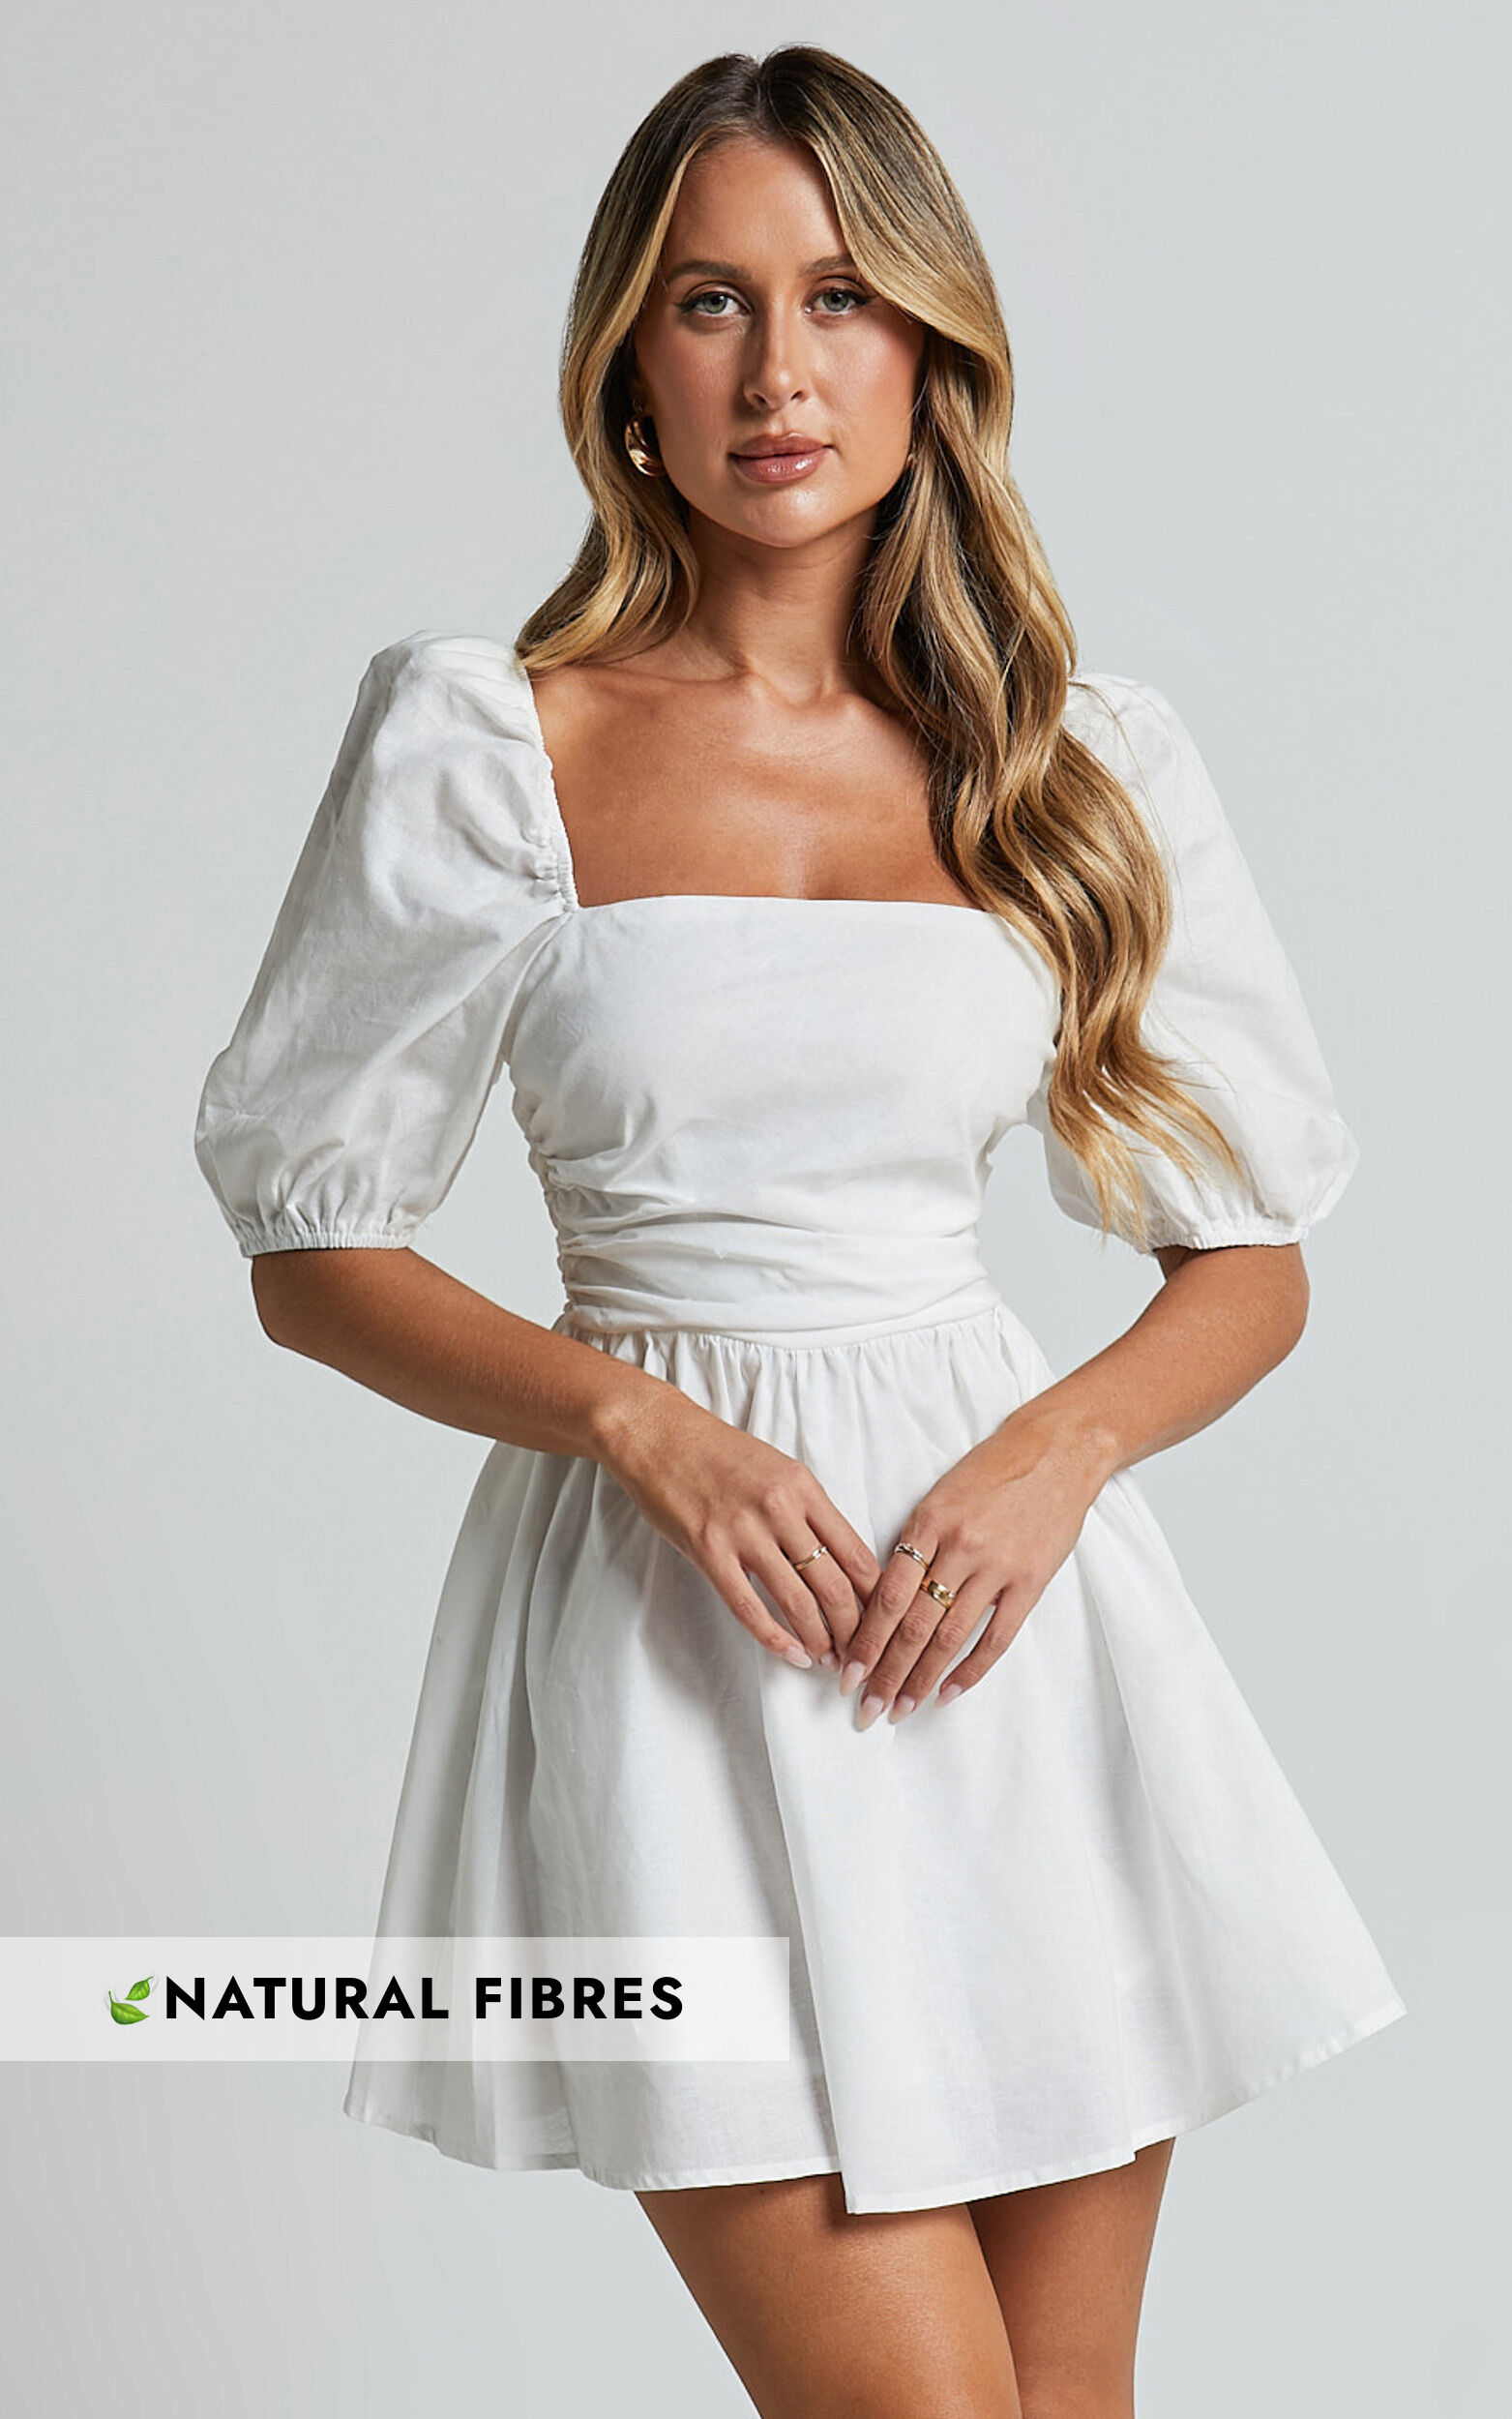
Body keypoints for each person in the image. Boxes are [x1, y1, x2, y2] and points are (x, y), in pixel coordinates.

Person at [193, 44, 1406, 2419]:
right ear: (624, 365)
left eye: (839, 297)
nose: (777, 370)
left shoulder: (1074, 761)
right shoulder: (488, 742)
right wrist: (632, 1421)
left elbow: (1249, 1256)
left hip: (1004, 1633)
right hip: (670, 1642)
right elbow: (309, 1243)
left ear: (929, 347)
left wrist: (1052, 1456)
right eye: (709, 300)